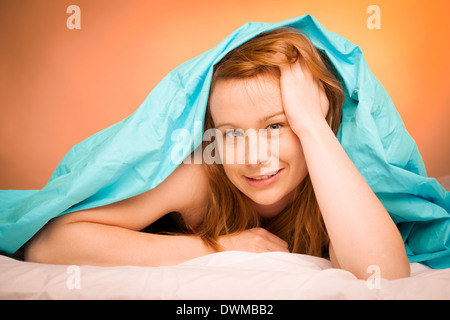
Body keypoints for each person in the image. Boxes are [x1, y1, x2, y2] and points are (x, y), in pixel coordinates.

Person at [24, 28, 410, 280]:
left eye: (276, 126)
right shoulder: (202, 175)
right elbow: (48, 244)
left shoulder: (331, 166)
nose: (254, 157)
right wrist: (220, 246)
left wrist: (310, 124)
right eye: (232, 134)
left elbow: (385, 274)